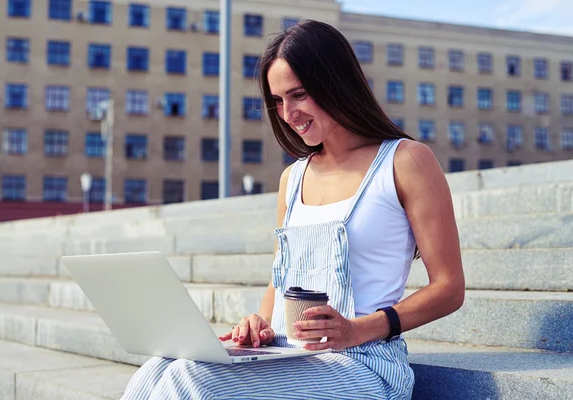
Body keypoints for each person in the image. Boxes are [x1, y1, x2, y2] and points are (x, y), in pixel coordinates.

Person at [121, 19, 465, 400]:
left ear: (336, 82)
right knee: (161, 367)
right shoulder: (293, 178)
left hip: (363, 365)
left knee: (192, 380)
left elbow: (449, 289)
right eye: (278, 101)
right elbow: (280, 278)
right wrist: (260, 324)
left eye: (298, 94)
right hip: (287, 355)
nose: (288, 113)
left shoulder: (406, 161)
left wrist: (356, 329)